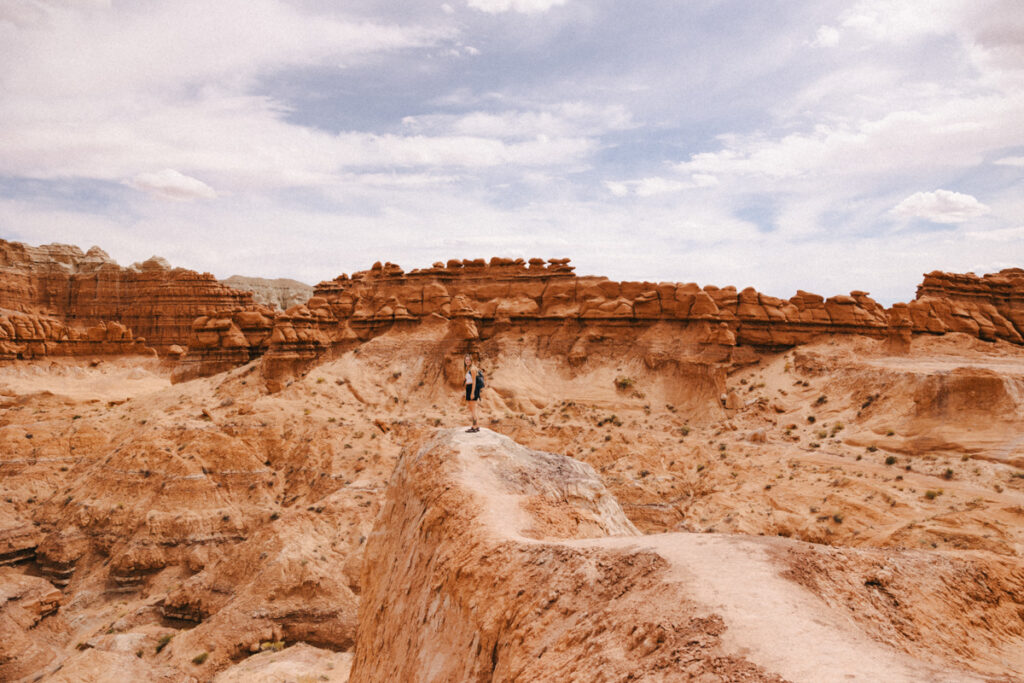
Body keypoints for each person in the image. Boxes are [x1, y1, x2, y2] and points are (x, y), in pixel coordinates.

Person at [464, 354, 484, 432]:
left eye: (468, 360)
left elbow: (474, 382)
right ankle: (476, 425)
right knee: (472, 408)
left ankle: (474, 426)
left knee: (473, 409)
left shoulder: (472, 369)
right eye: (466, 360)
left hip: (472, 389)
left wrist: (472, 393)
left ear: (471, 360)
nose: (467, 361)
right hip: (469, 388)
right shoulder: (468, 368)